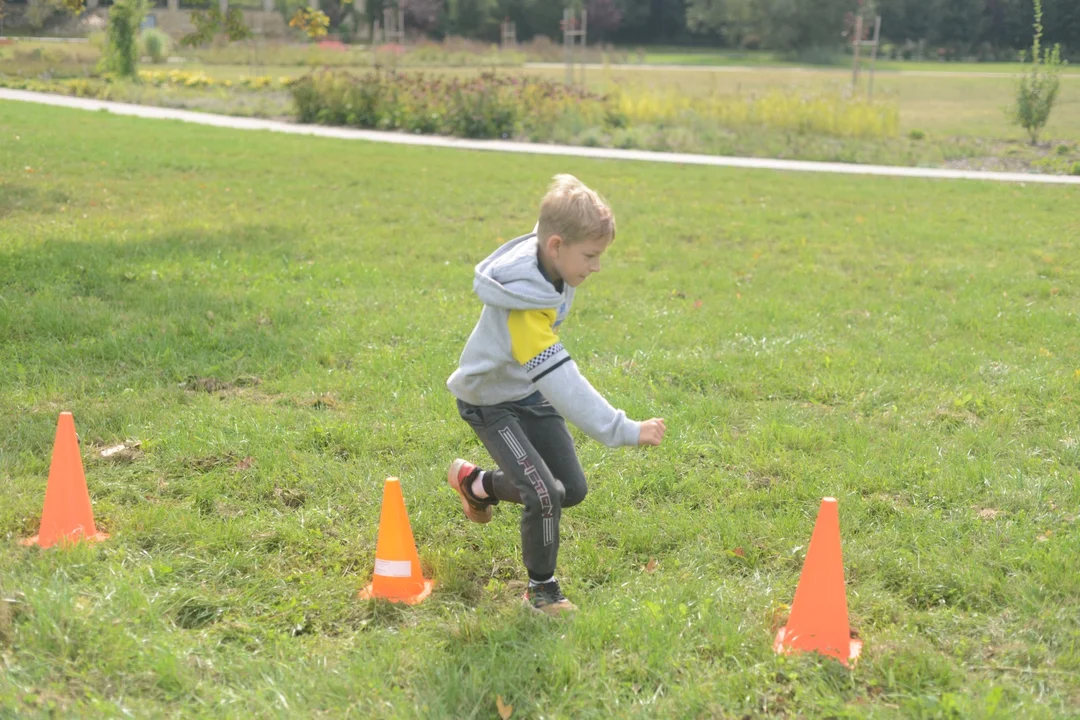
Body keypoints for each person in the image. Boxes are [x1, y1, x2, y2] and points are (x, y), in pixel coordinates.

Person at [446, 174, 667, 616]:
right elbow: (562, 381)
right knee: (545, 493)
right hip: (490, 402)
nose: (596, 266)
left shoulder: (551, 264)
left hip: (526, 392)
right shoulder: (524, 307)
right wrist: (622, 429)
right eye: (590, 256)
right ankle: (541, 590)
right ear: (556, 246)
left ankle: (476, 483)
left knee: (571, 489)